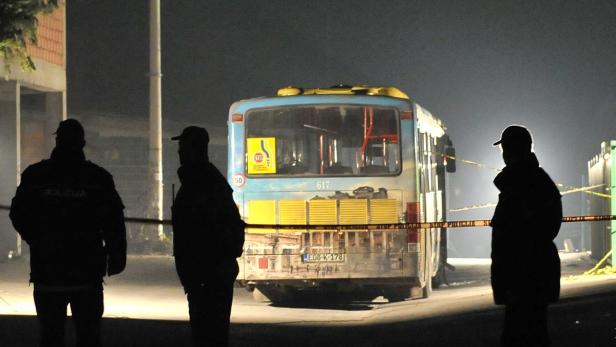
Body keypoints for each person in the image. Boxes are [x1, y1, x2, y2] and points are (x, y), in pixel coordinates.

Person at [9, 118, 127, 347]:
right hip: (87, 273)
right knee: (88, 337)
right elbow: (114, 221)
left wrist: (37, 240)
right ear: (82, 143)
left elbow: (18, 214)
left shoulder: (36, 176)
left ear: (57, 140)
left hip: (48, 272)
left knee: (51, 337)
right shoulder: (98, 178)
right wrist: (116, 256)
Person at [171, 126, 245, 347]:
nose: (179, 152)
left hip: (207, 274)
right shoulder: (206, 180)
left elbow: (201, 230)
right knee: (211, 333)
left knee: (208, 334)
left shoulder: (202, 183)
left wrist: (205, 269)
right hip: (207, 273)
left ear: (194, 149)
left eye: (182, 146)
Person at [490, 125, 562, 346]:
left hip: (523, 278)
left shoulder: (520, 184)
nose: (503, 154)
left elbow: (513, 237)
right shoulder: (536, 181)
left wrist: (509, 279)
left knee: (521, 335)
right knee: (534, 333)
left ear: (511, 151)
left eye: (505, 149)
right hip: (533, 276)